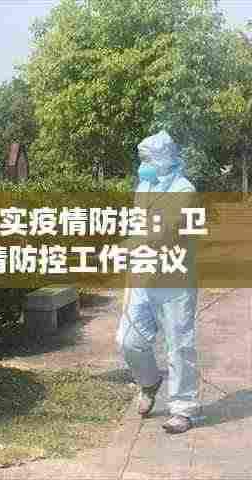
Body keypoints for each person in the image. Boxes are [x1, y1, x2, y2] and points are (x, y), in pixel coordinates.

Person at [116, 130, 200, 434]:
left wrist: (125, 247)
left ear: (164, 159)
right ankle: (149, 382)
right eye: (142, 159)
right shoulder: (144, 186)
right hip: (143, 275)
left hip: (174, 280)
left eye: (148, 159)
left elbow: (163, 232)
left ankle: (183, 409)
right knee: (128, 340)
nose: (143, 165)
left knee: (179, 344)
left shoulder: (184, 190)